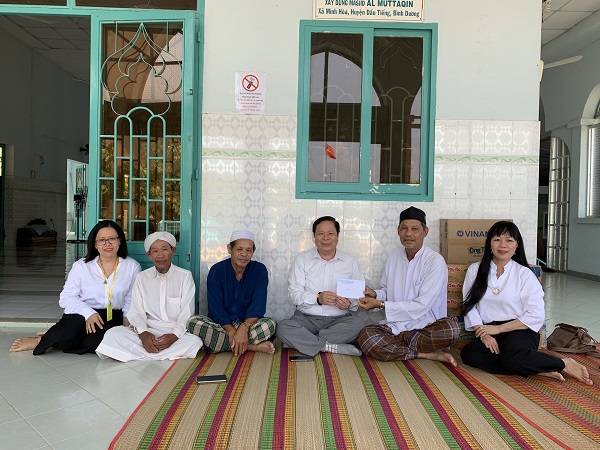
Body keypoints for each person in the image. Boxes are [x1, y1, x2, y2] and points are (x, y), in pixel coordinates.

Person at [460, 221, 592, 385]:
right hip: (489, 330)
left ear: (516, 246)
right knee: (470, 353)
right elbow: (470, 305)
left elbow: (535, 314)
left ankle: (564, 363)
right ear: (489, 244)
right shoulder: (475, 270)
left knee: (513, 355)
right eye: (497, 240)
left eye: (509, 240)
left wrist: (499, 328)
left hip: (520, 329)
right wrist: (485, 334)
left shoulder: (524, 274)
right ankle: (536, 367)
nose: (503, 245)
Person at [10, 220, 141, 355]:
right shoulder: (81, 266)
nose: (107, 244)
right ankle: (43, 340)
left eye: (112, 239)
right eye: (102, 240)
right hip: (82, 314)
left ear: (120, 241)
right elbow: (66, 298)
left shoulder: (132, 266)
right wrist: (89, 313)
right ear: (95, 244)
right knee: (72, 328)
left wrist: (127, 328)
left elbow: (130, 299)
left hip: (112, 316)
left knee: (102, 341)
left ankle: (53, 338)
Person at [356, 206, 460, 364]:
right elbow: (386, 290)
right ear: (398, 231)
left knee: (451, 329)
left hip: (426, 327)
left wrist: (381, 304)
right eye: (404, 228)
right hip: (396, 326)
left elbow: (421, 306)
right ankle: (427, 354)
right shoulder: (394, 256)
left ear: (425, 232)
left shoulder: (435, 261)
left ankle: (402, 344)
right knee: (365, 337)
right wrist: (376, 295)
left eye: (415, 229)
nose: (408, 234)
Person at [96, 231, 202, 361]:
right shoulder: (142, 277)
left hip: (173, 331)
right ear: (149, 255)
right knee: (113, 334)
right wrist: (143, 334)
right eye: (155, 251)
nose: (161, 255)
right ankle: (160, 354)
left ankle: (143, 354)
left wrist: (174, 335)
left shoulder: (185, 276)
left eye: (165, 249)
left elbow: (187, 312)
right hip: (148, 329)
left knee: (195, 342)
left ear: (173, 250)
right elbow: (136, 311)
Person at [276, 216, 365, 356]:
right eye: (321, 234)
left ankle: (304, 341)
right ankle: (328, 346)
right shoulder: (302, 260)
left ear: (337, 236)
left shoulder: (350, 262)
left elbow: (359, 297)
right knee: (282, 327)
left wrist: (348, 304)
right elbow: (294, 293)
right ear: (314, 237)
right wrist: (318, 298)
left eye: (330, 233)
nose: (326, 238)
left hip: (340, 320)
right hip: (307, 318)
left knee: (360, 325)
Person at [187, 230, 276, 356]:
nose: (244, 254)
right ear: (230, 249)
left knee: (270, 324)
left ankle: (222, 345)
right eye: (239, 249)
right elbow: (215, 308)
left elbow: (258, 305)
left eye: (248, 250)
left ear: (253, 252)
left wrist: (243, 329)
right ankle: (251, 347)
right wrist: (231, 331)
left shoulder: (259, 270)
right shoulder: (217, 271)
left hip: (248, 324)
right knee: (193, 322)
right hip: (222, 326)